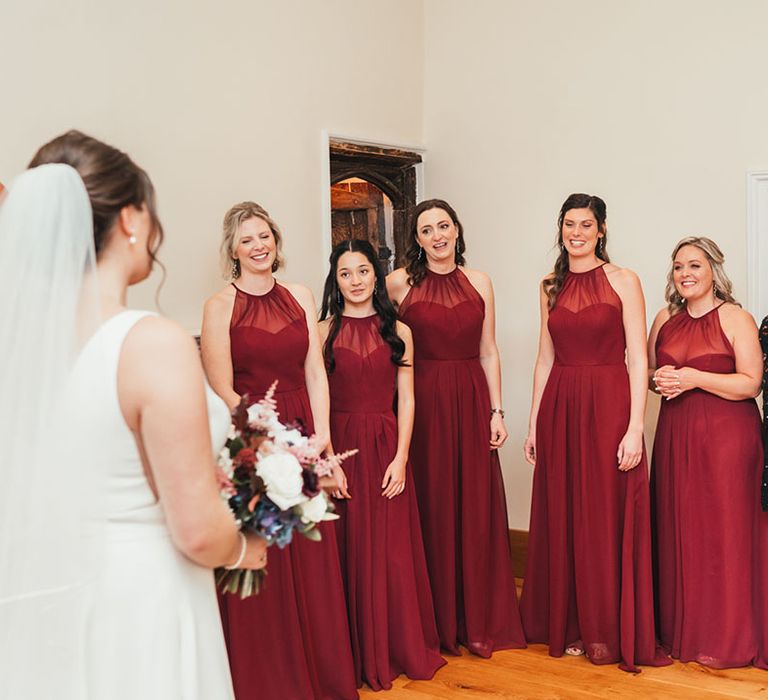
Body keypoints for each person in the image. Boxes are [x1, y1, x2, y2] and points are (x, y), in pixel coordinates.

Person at [0, 130, 267, 699]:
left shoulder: (18, 352)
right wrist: (249, 546)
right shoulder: (150, 343)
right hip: (140, 602)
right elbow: (196, 531)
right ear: (130, 220)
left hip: (49, 601)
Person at [201, 202, 357, 700]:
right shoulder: (219, 305)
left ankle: (321, 674)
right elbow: (221, 387)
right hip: (254, 435)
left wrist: (322, 439)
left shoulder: (301, 295)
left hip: (304, 428)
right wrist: (267, 437)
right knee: (265, 549)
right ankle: (269, 681)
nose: (258, 245)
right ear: (233, 249)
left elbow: (315, 371)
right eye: (247, 239)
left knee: (310, 554)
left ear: (276, 239)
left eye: (264, 235)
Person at [521, 193, 668, 672]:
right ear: (560, 229)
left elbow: (638, 357)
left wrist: (635, 427)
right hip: (560, 402)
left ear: (601, 230)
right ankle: (569, 624)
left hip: (608, 401)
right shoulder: (549, 284)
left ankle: (606, 626)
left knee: (604, 512)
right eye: (569, 224)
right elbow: (544, 358)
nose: (576, 232)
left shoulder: (624, 280)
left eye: (586, 224)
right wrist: (533, 424)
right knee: (564, 511)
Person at [386, 199, 525, 658]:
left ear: (457, 230)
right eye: (427, 230)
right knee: (432, 503)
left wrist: (497, 410)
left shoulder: (480, 281)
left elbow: (488, 351)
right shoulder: (396, 284)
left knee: (475, 504)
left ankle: (478, 618)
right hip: (422, 400)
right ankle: (436, 621)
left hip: (470, 398)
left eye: (444, 226)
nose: (437, 235)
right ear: (417, 240)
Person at [319, 239, 445, 690]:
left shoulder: (400, 330)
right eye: (346, 273)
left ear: (377, 275)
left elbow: (407, 398)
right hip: (341, 447)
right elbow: (317, 400)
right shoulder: (322, 332)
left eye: (363, 271)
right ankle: (350, 652)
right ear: (336, 281)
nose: (355, 281)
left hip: (387, 443)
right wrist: (327, 457)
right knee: (345, 547)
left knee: (391, 550)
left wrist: (401, 457)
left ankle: (394, 645)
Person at [649, 236, 768, 668]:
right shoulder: (665, 318)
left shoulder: (737, 318)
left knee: (724, 534)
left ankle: (728, 635)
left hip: (727, 440)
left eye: (695, 266)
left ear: (714, 271)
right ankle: (685, 630)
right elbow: (650, 373)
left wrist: (696, 377)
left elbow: (750, 383)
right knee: (680, 529)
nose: (685, 274)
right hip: (675, 435)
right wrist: (659, 377)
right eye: (678, 266)